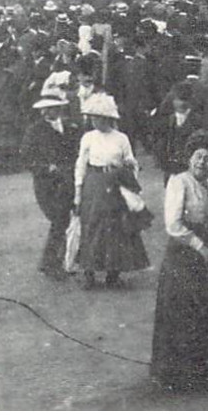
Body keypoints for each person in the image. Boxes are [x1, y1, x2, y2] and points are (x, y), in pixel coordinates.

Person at [151, 135, 208, 390]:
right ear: (189, 158)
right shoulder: (179, 182)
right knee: (182, 307)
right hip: (182, 254)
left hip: (205, 256)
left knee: (204, 304)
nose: (202, 161)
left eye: (207, 158)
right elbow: (173, 225)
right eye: (198, 156)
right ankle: (177, 371)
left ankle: (202, 367)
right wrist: (200, 246)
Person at [72, 93, 149, 290]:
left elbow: (131, 162)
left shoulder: (121, 139)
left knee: (116, 228)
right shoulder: (88, 138)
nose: (95, 121)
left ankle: (112, 273)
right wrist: (78, 193)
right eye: (92, 117)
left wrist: (130, 174)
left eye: (99, 117)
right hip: (94, 184)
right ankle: (88, 272)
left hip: (115, 185)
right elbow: (80, 165)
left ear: (109, 118)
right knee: (91, 225)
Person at [21, 91, 79, 278]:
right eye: (45, 109)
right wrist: (46, 168)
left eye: (52, 108)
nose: (48, 112)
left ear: (60, 109)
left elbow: (76, 152)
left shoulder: (70, 128)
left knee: (65, 220)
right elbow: (27, 159)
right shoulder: (34, 131)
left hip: (68, 181)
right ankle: (50, 262)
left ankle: (60, 261)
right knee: (59, 219)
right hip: (46, 185)